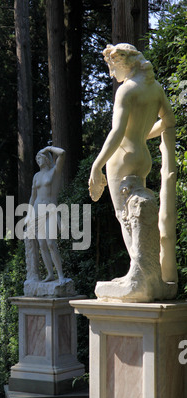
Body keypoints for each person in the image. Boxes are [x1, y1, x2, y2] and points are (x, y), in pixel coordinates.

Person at [88, 43, 177, 300]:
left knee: (124, 216)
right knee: (136, 213)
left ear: (122, 62)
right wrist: (141, 137)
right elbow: (168, 121)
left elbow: (116, 133)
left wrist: (97, 165)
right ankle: (144, 273)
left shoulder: (126, 90)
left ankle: (136, 274)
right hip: (142, 158)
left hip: (122, 160)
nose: (110, 73)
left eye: (111, 67)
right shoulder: (155, 89)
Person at [25, 146, 66, 283]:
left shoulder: (54, 171)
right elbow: (32, 196)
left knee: (51, 243)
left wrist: (48, 148)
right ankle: (50, 274)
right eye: (36, 158)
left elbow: (62, 154)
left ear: (46, 159)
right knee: (42, 244)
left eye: (40, 157)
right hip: (37, 210)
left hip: (50, 209)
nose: (38, 160)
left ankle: (60, 275)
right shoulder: (36, 176)